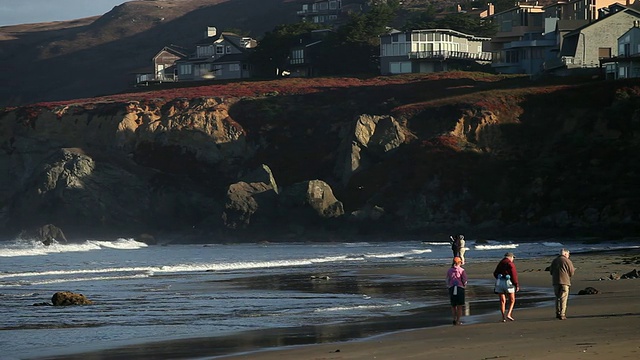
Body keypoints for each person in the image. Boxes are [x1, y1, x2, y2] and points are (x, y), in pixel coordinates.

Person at [549, 248, 575, 320]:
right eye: (568, 254)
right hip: (565, 281)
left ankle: (557, 312)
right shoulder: (567, 261)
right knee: (563, 298)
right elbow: (572, 272)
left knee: (557, 297)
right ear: (566, 254)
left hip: (556, 281)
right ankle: (562, 314)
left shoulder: (554, 261)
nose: (569, 256)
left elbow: (551, 271)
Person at [493, 252, 519, 322]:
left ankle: (503, 317)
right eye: (513, 258)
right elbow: (514, 275)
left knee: (502, 300)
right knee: (512, 299)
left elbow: (495, 273)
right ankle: (509, 314)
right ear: (510, 257)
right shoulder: (510, 263)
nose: (513, 259)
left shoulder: (500, 263)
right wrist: (516, 284)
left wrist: (498, 277)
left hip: (499, 282)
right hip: (508, 282)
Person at [446, 256, 468, 325]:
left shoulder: (449, 270)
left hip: (452, 288)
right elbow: (464, 280)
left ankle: (454, 319)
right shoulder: (461, 270)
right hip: (459, 288)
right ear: (459, 263)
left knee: (453, 305)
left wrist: (449, 286)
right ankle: (458, 320)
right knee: (459, 306)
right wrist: (464, 285)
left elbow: (447, 280)